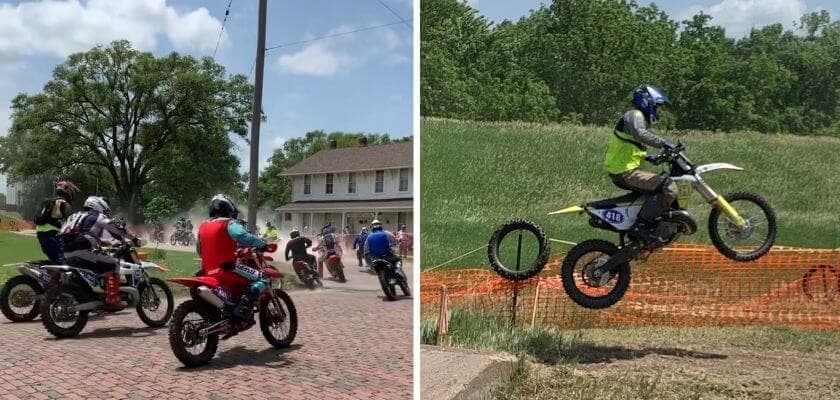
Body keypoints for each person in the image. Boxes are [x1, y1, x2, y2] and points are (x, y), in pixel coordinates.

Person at [604, 84, 678, 245]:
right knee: (669, 186)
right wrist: (664, 143)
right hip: (625, 172)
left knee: (660, 183)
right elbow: (640, 134)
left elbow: (629, 148)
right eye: (656, 106)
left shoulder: (635, 118)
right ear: (647, 101)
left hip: (624, 170)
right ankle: (641, 226)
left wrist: (651, 158)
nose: (657, 110)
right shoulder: (634, 115)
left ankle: (651, 225)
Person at [197, 194, 268, 335]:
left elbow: (199, 250)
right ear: (229, 208)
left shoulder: (203, 226)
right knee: (263, 278)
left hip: (207, 271)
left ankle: (232, 309)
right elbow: (243, 236)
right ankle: (241, 314)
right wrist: (262, 244)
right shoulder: (229, 223)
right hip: (229, 269)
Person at [59, 196, 139, 310]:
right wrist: (134, 239)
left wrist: (102, 242)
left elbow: (81, 232)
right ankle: (112, 298)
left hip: (66, 250)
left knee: (96, 267)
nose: (105, 212)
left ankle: (93, 294)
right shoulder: (97, 216)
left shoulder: (75, 215)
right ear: (98, 205)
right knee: (113, 263)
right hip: (83, 249)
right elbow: (117, 228)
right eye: (105, 209)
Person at [34, 180, 79, 264]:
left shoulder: (48, 202)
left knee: (55, 260)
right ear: (69, 192)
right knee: (66, 263)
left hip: (41, 235)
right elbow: (73, 224)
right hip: (53, 235)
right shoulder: (64, 204)